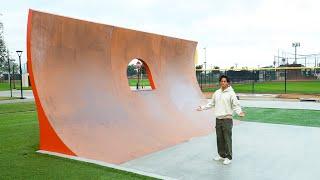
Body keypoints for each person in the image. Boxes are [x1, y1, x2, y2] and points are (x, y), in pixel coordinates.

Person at [197, 75, 245, 165]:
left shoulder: (231, 93)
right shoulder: (217, 93)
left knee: (227, 139)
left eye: (225, 81)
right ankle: (221, 155)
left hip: (227, 119)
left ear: (228, 83)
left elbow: (236, 105)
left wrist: (239, 112)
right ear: (220, 82)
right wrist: (202, 107)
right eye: (221, 81)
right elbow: (211, 103)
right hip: (218, 119)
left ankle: (228, 157)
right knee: (219, 139)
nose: (223, 83)